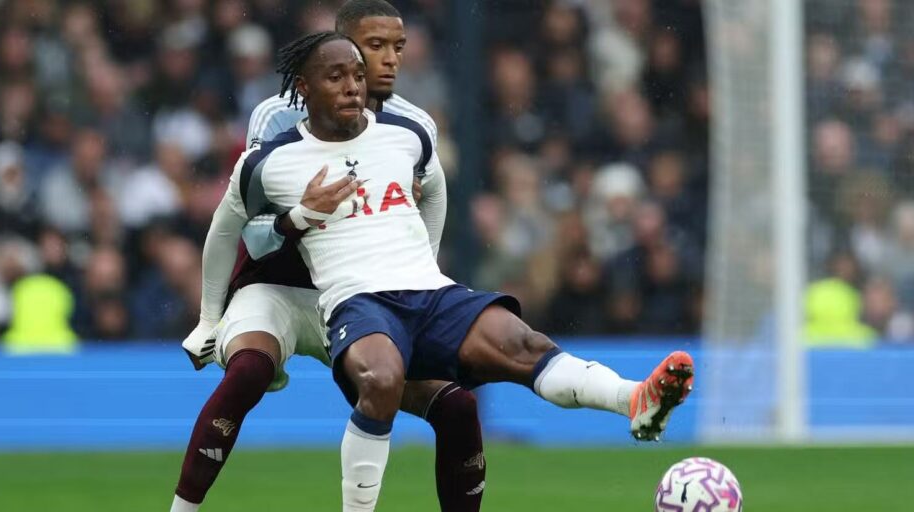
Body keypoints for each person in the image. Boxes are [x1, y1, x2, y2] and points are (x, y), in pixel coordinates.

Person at [225, 32, 694, 511]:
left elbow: (435, 195)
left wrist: (426, 258)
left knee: (525, 344)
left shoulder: (406, 135)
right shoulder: (272, 159)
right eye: (337, 76)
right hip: (358, 300)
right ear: (304, 87)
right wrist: (293, 221)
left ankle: (635, 400)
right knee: (381, 380)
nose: (352, 86)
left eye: (358, 75)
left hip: (429, 291)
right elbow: (238, 233)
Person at [172, 3, 485, 511]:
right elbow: (251, 228)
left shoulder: (413, 125)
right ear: (336, 49)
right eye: (373, 47)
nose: (388, 60)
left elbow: (434, 196)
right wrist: (297, 218)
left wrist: (418, 275)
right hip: (278, 287)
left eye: (397, 47)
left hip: (364, 299)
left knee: (458, 405)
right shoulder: (275, 116)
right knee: (248, 371)